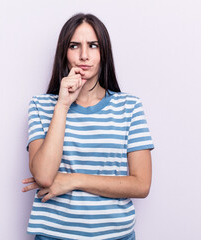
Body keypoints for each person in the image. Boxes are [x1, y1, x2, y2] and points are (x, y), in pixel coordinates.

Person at [22, 13, 154, 240]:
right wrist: (62, 105)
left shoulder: (129, 107)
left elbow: (141, 184)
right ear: (64, 53)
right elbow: (44, 176)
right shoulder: (41, 106)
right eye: (75, 46)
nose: (84, 55)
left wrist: (73, 180)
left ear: (104, 53)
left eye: (93, 45)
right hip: (55, 235)